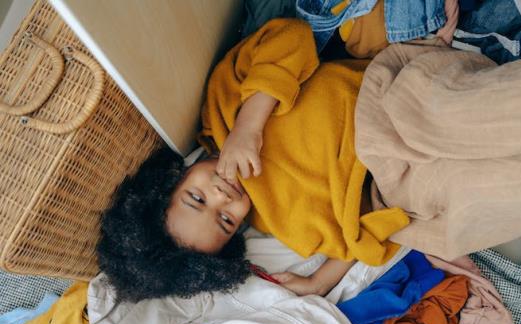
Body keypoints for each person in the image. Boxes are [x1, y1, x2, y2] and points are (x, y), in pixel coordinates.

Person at [98, 19, 409, 302]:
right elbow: (361, 235)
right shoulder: (280, 218)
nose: (223, 197)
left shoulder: (222, 111)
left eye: (197, 198)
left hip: (374, 63)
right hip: (400, 123)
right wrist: (318, 281)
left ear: (171, 179)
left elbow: (292, 36)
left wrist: (248, 125)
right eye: (226, 220)